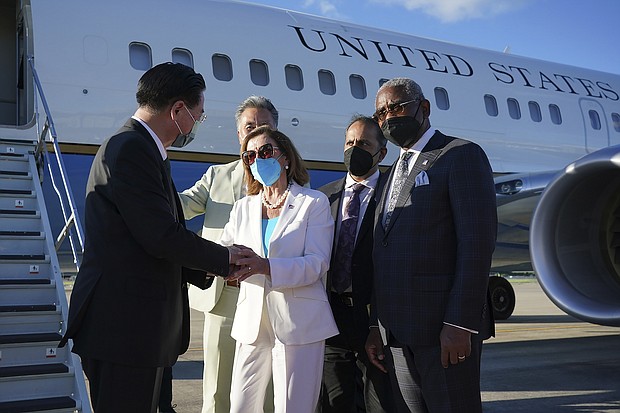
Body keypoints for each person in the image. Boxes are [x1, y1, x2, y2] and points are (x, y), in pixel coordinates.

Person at [59, 62, 247, 413]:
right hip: (125, 331)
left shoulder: (141, 149)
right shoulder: (131, 148)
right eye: (198, 115)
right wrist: (227, 259)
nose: (195, 126)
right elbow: (160, 236)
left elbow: (146, 239)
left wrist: (204, 270)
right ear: (177, 110)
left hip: (138, 331)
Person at [365, 77, 497, 413]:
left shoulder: (460, 155)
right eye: (381, 114)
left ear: (423, 108)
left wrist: (460, 324)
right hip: (396, 336)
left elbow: (476, 246)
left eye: (397, 107)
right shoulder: (392, 171)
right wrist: (376, 326)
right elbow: (384, 251)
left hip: (443, 334)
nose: (388, 118)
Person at [221, 126, 339, 413]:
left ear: (285, 158)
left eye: (265, 151)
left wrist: (266, 266)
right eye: (250, 156)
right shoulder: (242, 208)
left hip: (298, 323)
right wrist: (226, 268)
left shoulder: (313, 203)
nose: (258, 160)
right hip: (252, 321)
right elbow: (224, 250)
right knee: (240, 405)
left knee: (293, 407)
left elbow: (317, 263)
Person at [178, 95, 278, 413]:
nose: (256, 131)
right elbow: (181, 206)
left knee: (269, 390)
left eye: (264, 126)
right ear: (239, 134)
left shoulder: (288, 180)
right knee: (218, 389)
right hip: (224, 298)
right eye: (250, 126)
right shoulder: (217, 176)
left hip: (270, 297)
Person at [317, 115, 393, 413]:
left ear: (382, 153)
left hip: (376, 320)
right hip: (332, 317)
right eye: (350, 142)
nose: (354, 148)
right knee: (335, 404)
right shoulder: (323, 197)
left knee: (379, 404)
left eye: (363, 143)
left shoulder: (395, 195)